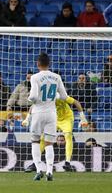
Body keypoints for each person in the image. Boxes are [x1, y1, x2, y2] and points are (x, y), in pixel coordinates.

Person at [26, 52, 68, 181]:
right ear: (49, 64)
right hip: (51, 114)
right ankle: (50, 171)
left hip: (38, 113)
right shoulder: (57, 76)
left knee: (35, 141)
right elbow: (65, 97)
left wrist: (29, 100)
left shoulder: (35, 77)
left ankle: (39, 169)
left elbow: (33, 96)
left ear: (37, 64)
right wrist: (54, 96)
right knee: (49, 143)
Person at [23, 93, 88, 172]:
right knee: (43, 138)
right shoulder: (44, 99)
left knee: (68, 135)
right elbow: (33, 106)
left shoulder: (63, 97)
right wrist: (27, 119)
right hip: (54, 119)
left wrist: (83, 118)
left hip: (66, 118)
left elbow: (76, 102)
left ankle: (67, 162)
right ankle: (35, 164)